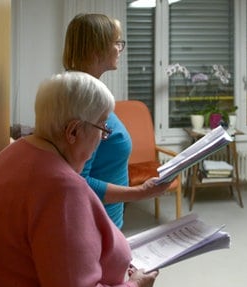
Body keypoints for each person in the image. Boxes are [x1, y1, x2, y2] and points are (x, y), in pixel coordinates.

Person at [0, 72, 159, 287]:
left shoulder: (10, 156)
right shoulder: (62, 190)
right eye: (102, 128)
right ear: (73, 131)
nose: (103, 137)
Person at [63, 13, 171, 228]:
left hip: (105, 220)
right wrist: (139, 192)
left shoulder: (87, 90)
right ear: (97, 49)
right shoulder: (84, 100)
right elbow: (78, 181)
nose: (120, 49)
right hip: (95, 224)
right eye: (117, 42)